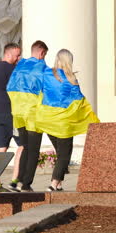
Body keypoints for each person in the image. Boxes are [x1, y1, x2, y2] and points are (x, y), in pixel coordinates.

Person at [34, 49, 99, 191]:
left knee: (60, 152)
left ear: (57, 59)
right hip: (63, 123)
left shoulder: (46, 74)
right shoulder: (71, 79)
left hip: (48, 120)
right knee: (64, 155)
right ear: (69, 62)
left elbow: (37, 90)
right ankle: (53, 183)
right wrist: (91, 118)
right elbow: (80, 100)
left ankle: (59, 184)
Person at [7, 40, 48, 192]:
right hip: (33, 115)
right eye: (44, 55)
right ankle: (25, 184)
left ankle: (18, 181)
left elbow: (9, 88)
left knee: (24, 147)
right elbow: (47, 91)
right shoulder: (43, 69)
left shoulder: (18, 67)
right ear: (42, 53)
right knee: (33, 150)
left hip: (18, 114)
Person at [0, 43, 24, 192]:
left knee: (1, 146)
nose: (18, 58)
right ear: (8, 54)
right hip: (11, 112)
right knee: (23, 146)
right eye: (17, 55)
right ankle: (15, 180)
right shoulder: (13, 70)